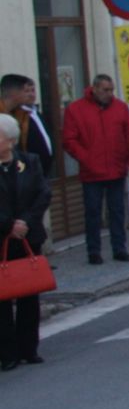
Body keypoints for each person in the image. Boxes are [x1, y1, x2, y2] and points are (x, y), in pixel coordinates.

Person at [62, 75, 129, 265]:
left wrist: (128, 162)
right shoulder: (76, 109)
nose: (109, 94)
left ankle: (119, 248)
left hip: (116, 169)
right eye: (105, 90)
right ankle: (93, 251)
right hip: (91, 171)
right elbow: (69, 140)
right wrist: (86, 158)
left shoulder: (120, 108)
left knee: (117, 211)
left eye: (111, 90)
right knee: (93, 212)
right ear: (94, 88)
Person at [0, 111, 50, 369]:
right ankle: (7, 353)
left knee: (30, 295)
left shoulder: (30, 161)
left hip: (29, 235)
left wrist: (26, 221)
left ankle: (29, 348)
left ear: (10, 140)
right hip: (3, 236)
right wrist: (9, 224)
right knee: (2, 298)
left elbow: (43, 193)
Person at [1, 73, 53, 179]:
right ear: (14, 93)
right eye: (25, 91)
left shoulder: (23, 114)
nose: (29, 94)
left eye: (32, 90)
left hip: (25, 172)